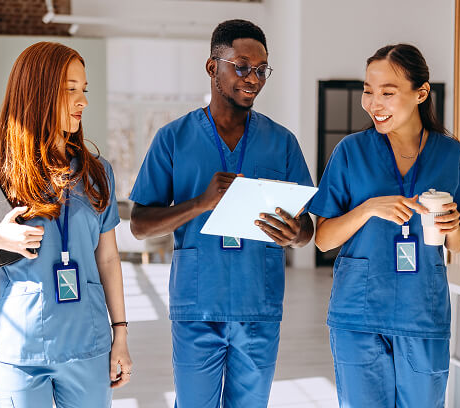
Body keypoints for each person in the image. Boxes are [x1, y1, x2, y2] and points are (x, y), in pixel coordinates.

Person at [129, 19, 314, 408]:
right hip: (198, 306)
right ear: (213, 67)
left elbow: (307, 228)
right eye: (242, 66)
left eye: (262, 70)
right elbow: (140, 224)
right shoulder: (173, 139)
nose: (253, 78)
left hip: (258, 306)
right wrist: (199, 203)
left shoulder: (281, 142)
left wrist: (294, 233)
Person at [0, 41, 132, 408]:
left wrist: (121, 336)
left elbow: (109, 261)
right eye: (70, 90)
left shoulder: (98, 173)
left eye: (84, 90)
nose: (83, 100)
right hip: (20, 351)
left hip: (89, 342)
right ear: (36, 92)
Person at [310, 43, 460, 407]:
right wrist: (368, 208)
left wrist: (452, 225)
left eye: (388, 92)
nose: (373, 104)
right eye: (368, 92)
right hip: (358, 312)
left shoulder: (451, 155)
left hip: (422, 312)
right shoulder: (350, 152)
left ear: (421, 92)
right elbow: (322, 239)